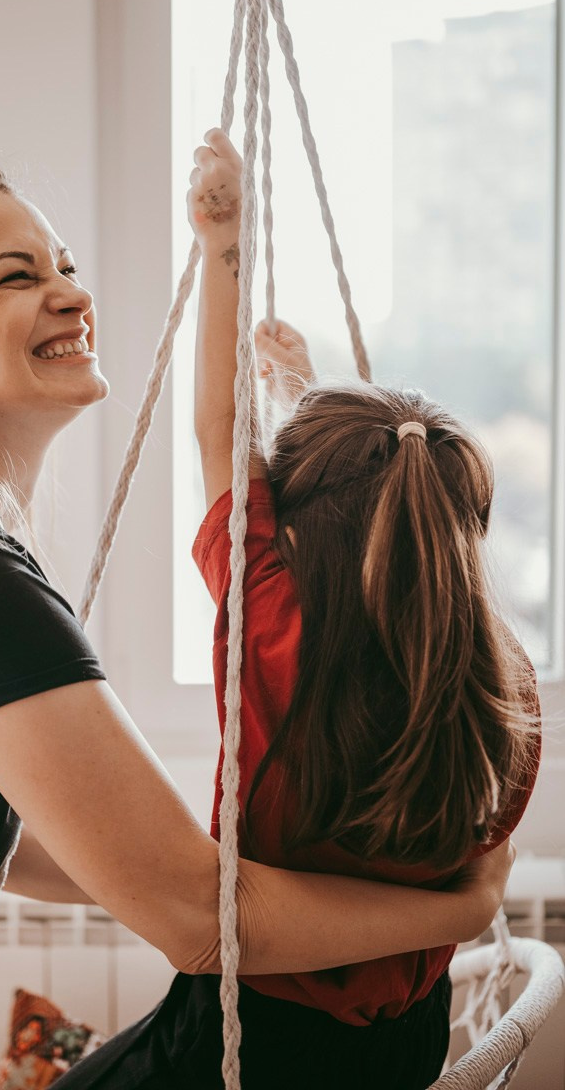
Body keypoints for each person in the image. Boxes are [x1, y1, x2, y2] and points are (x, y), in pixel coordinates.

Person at [0, 157, 516, 1090]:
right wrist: (461, 910)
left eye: (66, 266)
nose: (71, 295)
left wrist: (177, 873)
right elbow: (199, 922)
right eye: (16, 276)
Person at [57, 130, 541, 1089]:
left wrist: (224, 244)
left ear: (293, 528)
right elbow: (379, 495)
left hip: (247, 1036)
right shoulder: (503, 683)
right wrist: (306, 395)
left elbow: (217, 428)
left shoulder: (273, 622)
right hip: (403, 1042)